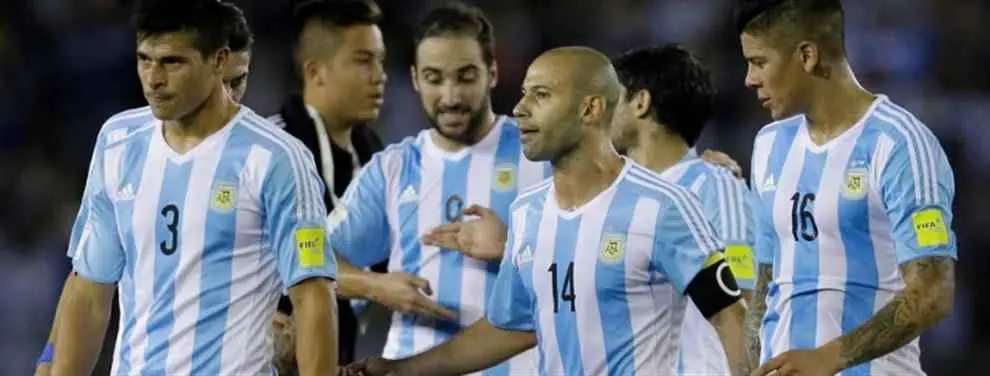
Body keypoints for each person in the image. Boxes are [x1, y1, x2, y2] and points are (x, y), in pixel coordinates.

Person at [344, 46, 749, 376]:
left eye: (541, 95)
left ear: (590, 110)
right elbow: (510, 327)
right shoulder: (528, 213)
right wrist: (401, 370)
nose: (519, 108)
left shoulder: (662, 204)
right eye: (523, 94)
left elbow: (732, 313)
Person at [48, 1, 338, 375]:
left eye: (172, 62)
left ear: (218, 61)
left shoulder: (276, 158)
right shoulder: (118, 142)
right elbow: (89, 291)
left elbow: (313, 295)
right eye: (144, 59)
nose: (153, 78)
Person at [736, 1, 957, 375]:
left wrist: (829, 358)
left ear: (807, 55)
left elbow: (933, 292)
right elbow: (767, 278)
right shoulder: (769, 145)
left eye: (759, 62)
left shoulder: (899, 144)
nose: (749, 79)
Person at [34, 2, 256, 375]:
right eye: (221, 84)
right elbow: (88, 284)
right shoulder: (121, 143)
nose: (228, 97)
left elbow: (314, 286)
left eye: (239, 82)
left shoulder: (268, 162)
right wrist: (49, 363)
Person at [329, 2, 544, 374]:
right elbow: (305, 249)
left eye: (465, 77)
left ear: (492, 73)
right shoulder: (393, 168)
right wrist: (371, 284)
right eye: (434, 78)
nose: (450, 97)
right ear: (414, 79)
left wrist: (511, 246)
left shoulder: (541, 157)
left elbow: (593, 267)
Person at [609, 44, 755, 376]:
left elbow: (741, 304)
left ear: (641, 103)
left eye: (612, 97)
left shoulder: (716, 187)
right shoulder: (614, 198)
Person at [265, 0, 388, 372]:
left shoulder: (378, 159)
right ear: (316, 72)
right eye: (364, 61)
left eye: (381, 60)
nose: (380, 75)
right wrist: (373, 286)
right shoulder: (271, 152)